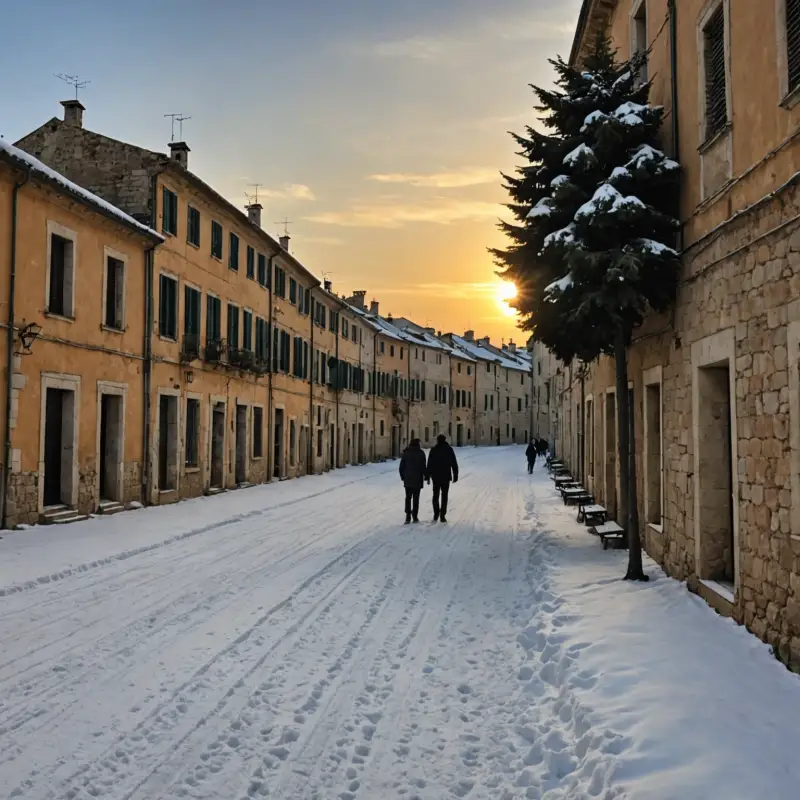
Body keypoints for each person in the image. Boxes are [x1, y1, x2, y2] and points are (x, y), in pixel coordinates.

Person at [425, 434, 459, 522]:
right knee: (444, 496)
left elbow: (429, 464)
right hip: (446, 476)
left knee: (435, 495)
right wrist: (455, 474)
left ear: (437, 440)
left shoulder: (434, 450)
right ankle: (442, 515)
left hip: (435, 476)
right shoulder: (449, 450)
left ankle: (436, 513)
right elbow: (453, 462)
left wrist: (428, 476)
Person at [399, 438, 426, 524]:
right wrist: (426, 476)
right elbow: (423, 467)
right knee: (416, 498)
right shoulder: (421, 453)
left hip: (408, 479)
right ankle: (415, 516)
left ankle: (407, 516)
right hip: (418, 479)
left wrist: (403, 477)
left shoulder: (406, 453)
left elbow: (401, 467)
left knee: (408, 497)